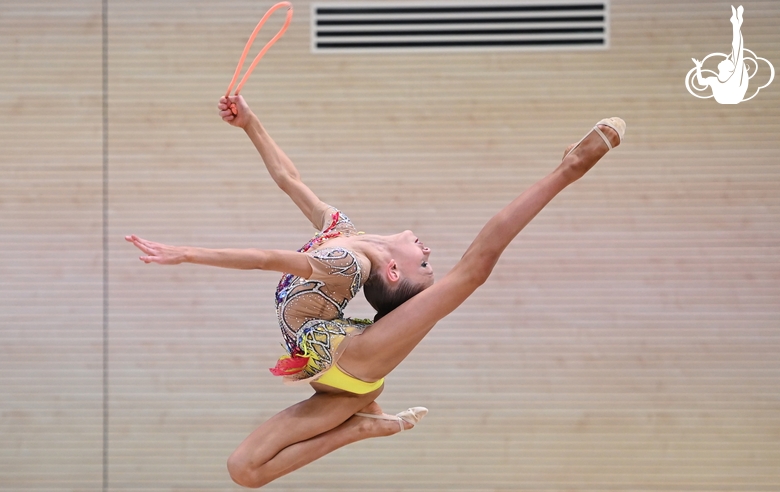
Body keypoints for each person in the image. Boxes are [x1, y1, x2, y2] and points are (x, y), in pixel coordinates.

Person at [126, 94, 625, 488]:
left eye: (424, 264)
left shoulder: (346, 263)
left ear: (390, 273)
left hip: (352, 363)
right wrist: (250, 124)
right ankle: (365, 426)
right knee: (244, 471)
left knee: (473, 272)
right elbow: (288, 178)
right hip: (338, 385)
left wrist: (187, 253)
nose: (427, 250)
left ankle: (569, 168)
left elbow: (266, 260)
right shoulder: (341, 229)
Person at [692, 5, 748, 104]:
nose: (725, 59)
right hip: (729, 98)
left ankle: (736, 23)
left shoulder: (733, 77)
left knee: (737, 51)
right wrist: (698, 67)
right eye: (727, 60)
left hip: (732, 97)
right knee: (737, 52)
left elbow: (737, 49)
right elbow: (701, 82)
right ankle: (736, 23)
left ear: (728, 69)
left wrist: (698, 67)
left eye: (727, 61)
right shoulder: (716, 80)